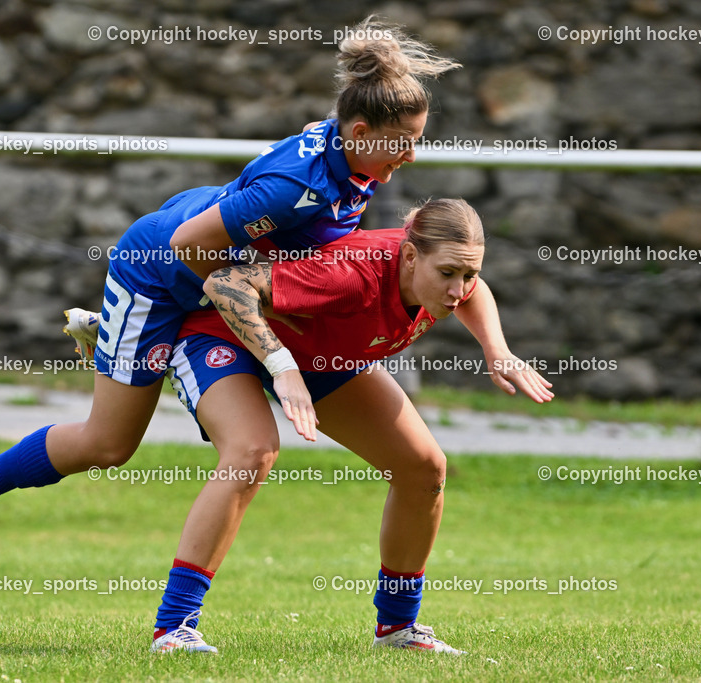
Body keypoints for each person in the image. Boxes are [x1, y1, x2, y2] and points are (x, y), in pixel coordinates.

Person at [0, 16, 458, 611]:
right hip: (158, 275)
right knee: (109, 444)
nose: (412, 154)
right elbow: (188, 245)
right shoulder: (295, 185)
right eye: (403, 141)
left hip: (220, 282)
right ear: (360, 131)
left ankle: (396, 624)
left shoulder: (356, 152)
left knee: (340, 453)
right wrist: (263, 331)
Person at [136, 198, 553, 655]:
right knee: (251, 452)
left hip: (319, 354)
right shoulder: (351, 275)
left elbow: (476, 290)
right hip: (222, 334)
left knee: (422, 468)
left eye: (467, 274)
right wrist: (282, 366)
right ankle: (173, 628)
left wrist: (496, 349)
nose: (458, 290)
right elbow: (227, 283)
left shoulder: (439, 272)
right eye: (449, 274)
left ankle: (397, 628)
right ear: (411, 258)